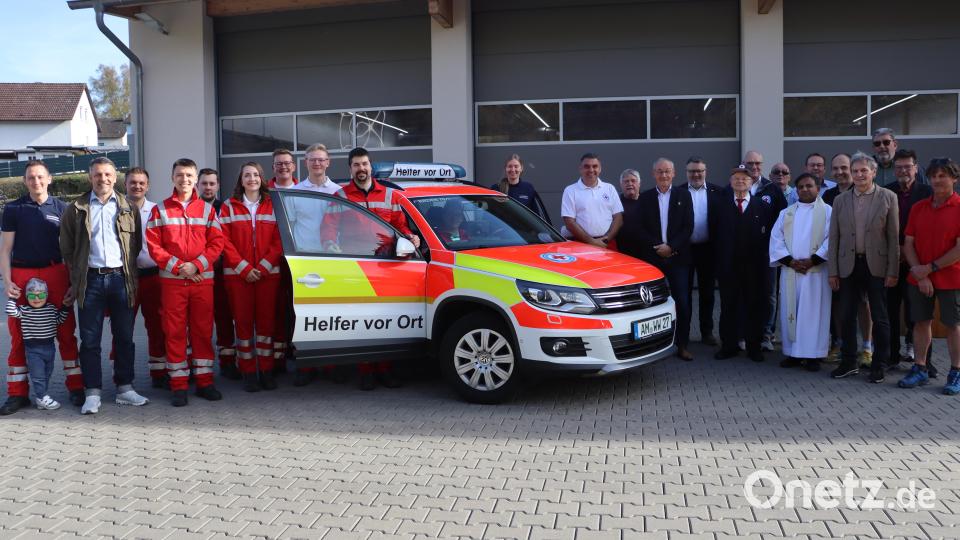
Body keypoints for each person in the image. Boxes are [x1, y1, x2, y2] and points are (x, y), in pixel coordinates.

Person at [322, 147, 419, 390]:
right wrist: (334, 253)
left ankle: (384, 370)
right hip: (356, 267)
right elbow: (328, 231)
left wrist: (410, 238)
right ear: (350, 168)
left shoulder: (390, 195)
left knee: (384, 321)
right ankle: (366, 371)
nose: (361, 168)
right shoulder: (340, 196)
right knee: (362, 322)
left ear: (370, 166)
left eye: (364, 164)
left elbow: (400, 227)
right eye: (356, 165)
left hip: (387, 266)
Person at [60, 156, 148, 414]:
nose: (103, 179)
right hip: (90, 281)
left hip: (121, 279)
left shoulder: (127, 207)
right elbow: (67, 248)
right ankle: (92, 392)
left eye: (108, 174)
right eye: (98, 174)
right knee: (90, 340)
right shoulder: (76, 208)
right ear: (90, 177)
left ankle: (125, 388)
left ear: (115, 177)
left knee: (125, 337)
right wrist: (75, 279)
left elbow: (135, 245)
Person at [0, 160, 84, 415]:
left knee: (66, 332)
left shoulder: (63, 208)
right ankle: (17, 393)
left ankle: (76, 387)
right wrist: (7, 282)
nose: (35, 181)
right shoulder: (13, 209)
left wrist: (72, 283)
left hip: (56, 272)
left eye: (40, 177)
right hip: (22, 274)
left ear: (49, 179)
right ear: (25, 181)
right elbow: (5, 249)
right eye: (30, 177)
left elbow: (70, 251)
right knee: (19, 335)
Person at [146, 158, 226, 407]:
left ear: (195, 179)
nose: (185, 179)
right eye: (180, 175)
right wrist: (182, 267)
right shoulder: (160, 210)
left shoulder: (207, 210)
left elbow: (217, 242)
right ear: (173, 178)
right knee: (175, 332)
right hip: (173, 284)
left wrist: (197, 265)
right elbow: (154, 246)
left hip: (202, 282)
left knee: (203, 332)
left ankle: (204, 382)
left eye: (189, 175)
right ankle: (179, 385)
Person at [827, 152, 899, 384]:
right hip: (848, 265)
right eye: (855, 171)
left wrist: (893, 271)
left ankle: (879, 364)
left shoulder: (888, 197)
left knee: (880, 317)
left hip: (876, 265)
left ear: (873, 172)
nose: (859, 175)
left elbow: (893, 237)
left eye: (863, 171)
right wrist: (833, 271)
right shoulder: (840, 200)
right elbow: (834, 238)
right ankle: (849, 362)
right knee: (846, 315)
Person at [898, 158, 960, 395]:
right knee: (920, 322)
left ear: (954, 179)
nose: (936, 180)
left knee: (953, 325)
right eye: (933, 176)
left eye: (942, 175)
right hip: (920, 277)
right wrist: (920, 273)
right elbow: (909, 244)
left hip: (952, 277)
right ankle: (920, 368)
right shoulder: (919, 208)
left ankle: (956, 372)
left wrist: (929, 268)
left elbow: (958, 249)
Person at [220, 162, 284, 392]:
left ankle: (266, 371)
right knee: (243, 325)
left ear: (261, 178)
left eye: (256, 174)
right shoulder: (228, 206)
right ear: (241, 180)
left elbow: (280, 239)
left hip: (268, 276)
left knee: (266, 325)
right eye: (247, 175)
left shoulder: (273, 204)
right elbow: (223, 241)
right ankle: (248, 371)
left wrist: (264, 267)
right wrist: (244, 268)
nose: (252, 179)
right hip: (238, 277)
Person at [288, 143, 343, 387]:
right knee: (305, 317)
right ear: (306, 162)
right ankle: (306, 366)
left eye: (321, 159)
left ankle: (331, 366)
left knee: (332, 316)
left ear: (328, 162)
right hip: (305, 262)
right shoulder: (296, 192)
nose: (317, 163)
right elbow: (290, 226)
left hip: (334, 261)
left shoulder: (339, 192)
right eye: (312, 159)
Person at [712, 166, 777, 362]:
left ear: (751, 182)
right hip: (728, 267)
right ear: (730, 182)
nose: (740, 181)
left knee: (754, 307)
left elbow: (768, 237)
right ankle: (729, 346)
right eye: (736, 178)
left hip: (754, 268)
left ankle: (753, 347)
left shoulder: (762, 206)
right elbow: (714, 237)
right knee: (728, 306)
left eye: (745, 178)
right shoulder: (719, 205)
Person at [769, 174, 832, 372]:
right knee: (792, 312)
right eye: (801, 187)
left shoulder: (828, 212)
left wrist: (813, 261)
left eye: (809, 186)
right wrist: (791, 261)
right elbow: (776, 239)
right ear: (796, 190)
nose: (805, 189)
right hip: (792, 272)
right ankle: (793, 354)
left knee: (813, 315)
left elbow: (832, 239)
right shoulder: (786, 213)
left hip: (816, 273)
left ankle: (814, 355)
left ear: (817, 188)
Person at [636, 158, 694, 359]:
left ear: (674, 173)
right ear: (653, 174)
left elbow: (688, 226)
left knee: (683, 303)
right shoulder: (645, 198)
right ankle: (652, 345)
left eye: (667, 171)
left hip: (678, 258)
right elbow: (640, 228)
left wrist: (671, 247)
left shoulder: (684, 195)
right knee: (651, 304)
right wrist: (658, 247)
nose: (664, 175)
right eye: (660, 171)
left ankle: (682, 344)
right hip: (653, 260)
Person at [884, 149, 934, 369]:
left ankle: (926, 362)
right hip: (893, 261)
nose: (903, 171)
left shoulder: (927, 192)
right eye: (899, 167)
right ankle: (891, 356)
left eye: (907, 166)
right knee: (890, 311)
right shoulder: (887, 192)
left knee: (920, 313)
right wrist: (896, 250)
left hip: (917, 261)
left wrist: (909, 250)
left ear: (916, 168)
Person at [822, 153, 873, 364]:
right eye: (835, 168)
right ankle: (840, 343)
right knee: (838, 304)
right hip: (837, 259)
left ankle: (867, 347)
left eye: (844, 167)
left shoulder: (863, 191)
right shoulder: (828, 196)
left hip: (863, 260)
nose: (840, 172)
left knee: (863, 303)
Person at [124, 167, 167, 388]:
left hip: (153, 276)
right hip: (126, 278)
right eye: (133, 182)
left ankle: (159, 373)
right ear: (125, 184)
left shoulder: (157, 211)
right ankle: (123, 376)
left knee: (157, 326)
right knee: (123, 327)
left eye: (141, 183)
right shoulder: (116, 209)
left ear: (148, 186)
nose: (137, 186)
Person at [5, 278, 73, 410]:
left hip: (50, 348)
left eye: (41, 295)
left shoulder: (51, 308)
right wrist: (13, 298)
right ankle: (41, 397)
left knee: (47, 373)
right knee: (38, 376)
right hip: (33, 350)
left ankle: (42, 397)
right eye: (32, 296)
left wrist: (65, 307)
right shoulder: (24, 310)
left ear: (46, 296)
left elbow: (59, 320)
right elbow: (10, 311)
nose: (36, 299)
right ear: (27, 297)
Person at [743, 151, 788, 351]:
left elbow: (783, 220)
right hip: (743, 252)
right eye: (750, 163)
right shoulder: (737, 186)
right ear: (743, 164)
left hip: (768, 252)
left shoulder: (772, 189)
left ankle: (767, 335)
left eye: (758, 163)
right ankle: (744, 333)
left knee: (769, 294)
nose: (754, 167)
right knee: (745, 292)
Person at [198, 168, 238, 380]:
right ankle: (197, 365)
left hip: (222, 272)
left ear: (218, 185)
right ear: (198, 185)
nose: (208, 187)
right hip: (198, 273)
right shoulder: (191, 209)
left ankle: (228, 361)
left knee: (224, 318)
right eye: (204, 183)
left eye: (212, 184)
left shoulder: (226, 208)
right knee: (198, 322)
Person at [560, 153, 623, 249]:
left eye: (595, 166)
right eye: (587, 166)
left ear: (600, 169)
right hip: (581, 245)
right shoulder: (570, 190)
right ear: (580, 169)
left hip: (607, 243)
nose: (591, 170)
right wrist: (591, 241)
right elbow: (569, 222)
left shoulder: (609, 188)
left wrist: (606, 239)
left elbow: (618, 218)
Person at [491, 154, 549, 222]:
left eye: (516, 166)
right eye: (510, 166)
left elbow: (536, 216)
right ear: (505, 168)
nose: (513, 170)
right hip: (503, 228)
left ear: (521, 168)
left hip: (523, 228)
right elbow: (490, 213)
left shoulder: (528, 188)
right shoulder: (496, 188)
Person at [615, 169, 643, 259]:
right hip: (621, 252)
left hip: (644, 251)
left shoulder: (647, 201)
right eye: (626, 181)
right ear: (621, 185)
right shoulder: (615, 202)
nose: (630, 184)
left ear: (639, 183)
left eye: (633, 181)